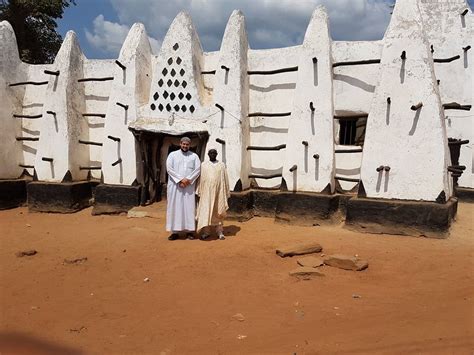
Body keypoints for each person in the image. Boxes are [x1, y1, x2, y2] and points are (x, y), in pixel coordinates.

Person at [166, 137, 201, 240]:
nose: (185, 146)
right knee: (175, 207)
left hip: (189, 187)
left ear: (189, 145)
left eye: (187, 144)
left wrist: (188, 180)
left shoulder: (194, 156)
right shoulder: (172, 155)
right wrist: (181, 180)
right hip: (175, 186)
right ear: (180, 144)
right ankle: (175, 231)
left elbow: (198, 170)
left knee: (189, 208)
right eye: (183, 144)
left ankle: (189, 231)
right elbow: (169, 169)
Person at [196, 149, 230, 240]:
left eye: (214, 153)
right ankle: (206, 232)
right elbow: (201, 179)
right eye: (211, 153)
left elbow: (225, 178)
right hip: (206, 193)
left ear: (216, 154)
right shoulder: (204, 165)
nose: (212, 154)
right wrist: (199, 190)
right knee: (206, 211)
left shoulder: (221, 165)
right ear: (208, 154)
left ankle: (220, 232)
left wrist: (225, 191)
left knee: (218, 211)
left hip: (218, 192)